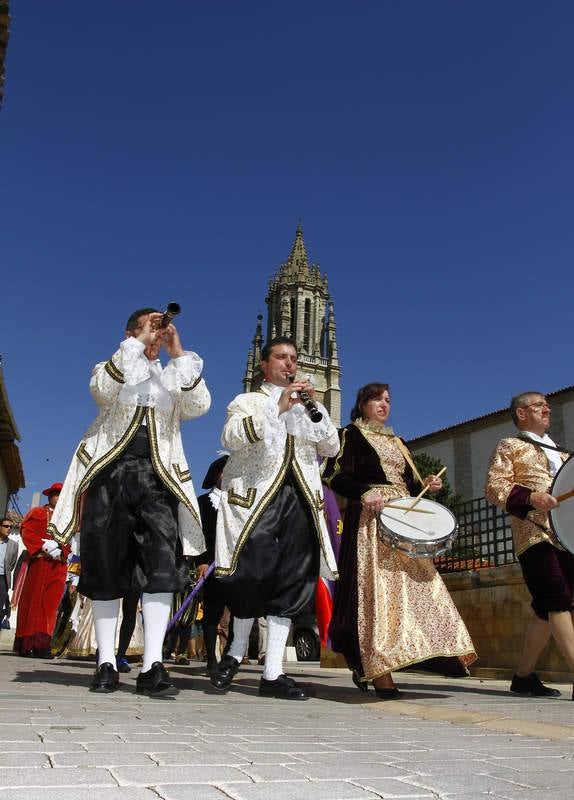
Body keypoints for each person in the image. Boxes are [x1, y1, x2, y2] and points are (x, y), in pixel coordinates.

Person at [49, 307, 210, 696]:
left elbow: (198, 405)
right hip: (112, 473)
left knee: (160, 566)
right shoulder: (111, 366)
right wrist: (138, 343)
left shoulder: (171, 376)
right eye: (151, 328)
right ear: (130, 333)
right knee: (105, 564)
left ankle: (153, 664)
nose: (158, 334)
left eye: (162, 328)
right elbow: (102, 391)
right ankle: (106, 662)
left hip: (158, 478)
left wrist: (176, 349)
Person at [322, 383, 476, 698]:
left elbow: (407, 482)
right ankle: (381, 674)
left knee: (421, 589)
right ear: (362, 403)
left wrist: (427, 483)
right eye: (377, 399)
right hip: (372, 520)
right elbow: (333, 475)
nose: (384, 404)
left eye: (388, 400)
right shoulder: (349, 435)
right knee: (378, 595)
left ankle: (423, 652)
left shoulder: (399, 441)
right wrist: (364, 491)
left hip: (405, 520)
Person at [210, 336, 340, 700]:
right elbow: (231, 437)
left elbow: (332, 447)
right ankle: (235, 652)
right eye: (281, 357)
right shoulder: (248, 401)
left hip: (299, 499)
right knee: (251, 575)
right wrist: (278, 408)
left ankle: (272, 672)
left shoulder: (310, 406)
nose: (290, 364)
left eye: (294, 358)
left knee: (291, 582)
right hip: (257, 501)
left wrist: (315, 410)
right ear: (265, 365)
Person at [486, 391, 573, 698]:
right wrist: (532, 498)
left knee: (545, 608)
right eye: (539, 405)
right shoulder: (510, 445)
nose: (547, 409)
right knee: (558, 598)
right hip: (534, 533)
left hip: (567, 535)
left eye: (547, 405)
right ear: (521, 413)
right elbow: (495, 486)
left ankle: (523, 677)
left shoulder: (563, 454)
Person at [14, 484, 70, 657]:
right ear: (50, 496)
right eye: (56, 495)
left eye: (62, 495)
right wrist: (43, 546)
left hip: (57, 566)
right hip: (39, 564)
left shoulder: (68, 517)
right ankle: (26, 643)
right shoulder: (37, 513)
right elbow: (27, 532)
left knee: (50, 606)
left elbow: (72, 540)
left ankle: (42, 645)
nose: (59, 498)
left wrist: (61, 551)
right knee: (32, 603)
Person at [196, 454, 229, 674]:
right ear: (217, 474)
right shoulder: (202, 503)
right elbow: (197, 535)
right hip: (211, 566)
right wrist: (201, 562)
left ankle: (229, 658)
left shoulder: (240, 503)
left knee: (236, 612)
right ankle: (211, 660)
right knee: (211, 613)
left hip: (234, 565)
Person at [0, 517, 18, 629]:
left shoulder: (13, 545)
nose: (9, 528)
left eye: (10, 527)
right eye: (6, 526)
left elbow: (12, 563)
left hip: (3, 579)